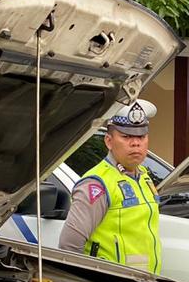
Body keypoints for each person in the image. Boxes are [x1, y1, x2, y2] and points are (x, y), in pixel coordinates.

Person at [58, 99, 162, 272]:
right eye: (126, 136)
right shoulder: (96, 184)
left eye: (141, 136)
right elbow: (69, 247)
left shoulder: (143, 176)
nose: (135, 143)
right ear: (108, 141)